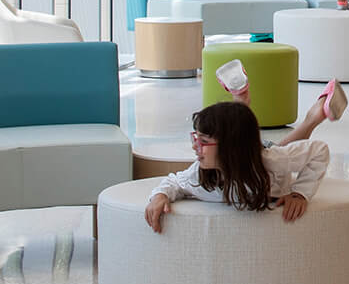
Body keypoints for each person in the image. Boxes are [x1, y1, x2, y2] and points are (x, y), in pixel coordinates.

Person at [142, 100, 336, 234]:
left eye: (203, 141)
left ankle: (313, 117)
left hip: (262, 153)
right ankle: (241, 101)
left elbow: (319, 151)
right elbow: (174, 181)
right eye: (195, 138)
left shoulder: (272, 162)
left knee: (282, 151)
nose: (194, 147)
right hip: (245, 154)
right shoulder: (200, 174)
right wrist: (160, 196)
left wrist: (300, 193)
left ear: (229, 148)